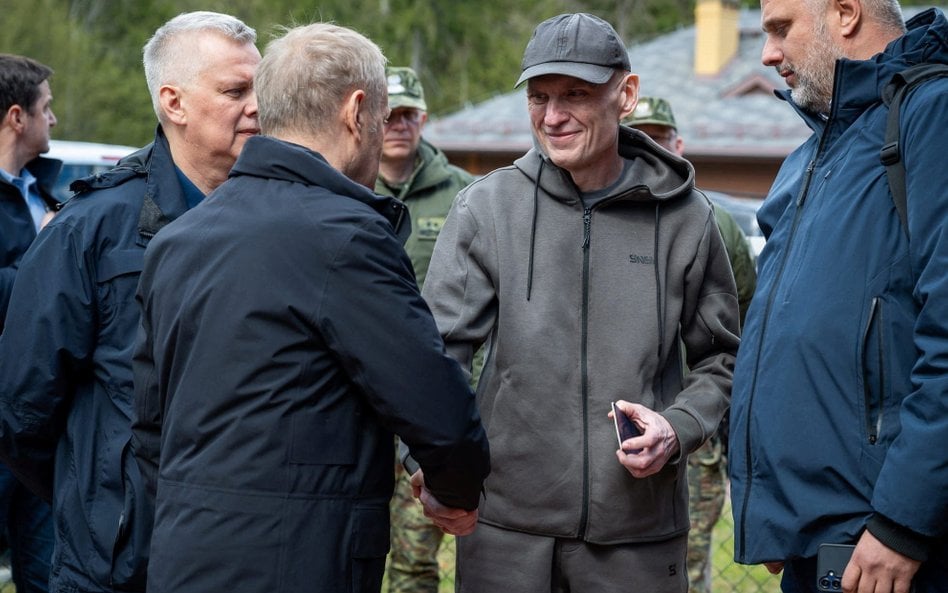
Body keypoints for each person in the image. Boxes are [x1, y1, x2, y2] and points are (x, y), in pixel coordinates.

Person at [132, 22, 491, 593]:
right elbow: (434, 404)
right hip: (298, 559)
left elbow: (150, 424)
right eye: (378, 121)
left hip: (184, 554)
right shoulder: (345, 237)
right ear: (356, 113)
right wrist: (456, 490)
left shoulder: (179, 239)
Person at [421, 12, 740, 593]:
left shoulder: (687, 221)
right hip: (503, 536)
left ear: (627, 94)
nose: (552, 116)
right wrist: (429, 468)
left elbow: (725, 360)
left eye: (575, 94)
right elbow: (432, 358)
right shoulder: (485, 210)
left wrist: (677, 427)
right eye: (539, 97)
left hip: (638, 538)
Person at [0, 12, 260, 592]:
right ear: (174, 103)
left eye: (259, 90)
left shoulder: (281, 219)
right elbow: (22, 409)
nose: (257, 107)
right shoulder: (91, 230)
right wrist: (102, 499)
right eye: (235, 91)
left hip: (246, 559)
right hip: (116, 566)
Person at [728, 2, 948, 592]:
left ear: (845, 13)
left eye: (780, 29)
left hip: (895, 548)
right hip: (817, 544)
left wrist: (904, 522)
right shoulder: (809, 158)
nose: (767, 54)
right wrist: (779, 510)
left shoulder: (933, 115)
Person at [623, 95, 757, 593]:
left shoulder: (713, 222)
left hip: (691, 427)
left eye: (659, 137)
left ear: (678, 145)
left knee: (684, 563)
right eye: (639, 134)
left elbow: (742, 324)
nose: (649, 145)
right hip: (624, 419)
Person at [375, 65, 476, 593]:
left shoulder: (462, 193)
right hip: (363, 397)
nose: (397, 125)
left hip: (430, 394)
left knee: (417, 555)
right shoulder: (348, 183)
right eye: (388, 114)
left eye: (408, 114)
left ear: (424, 119)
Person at [0, 53, 58, 593]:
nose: (54, 120)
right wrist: (45, 266)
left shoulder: (43, 193)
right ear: (18, 117)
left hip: (36, 425)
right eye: (47, 108)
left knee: (45, 572)